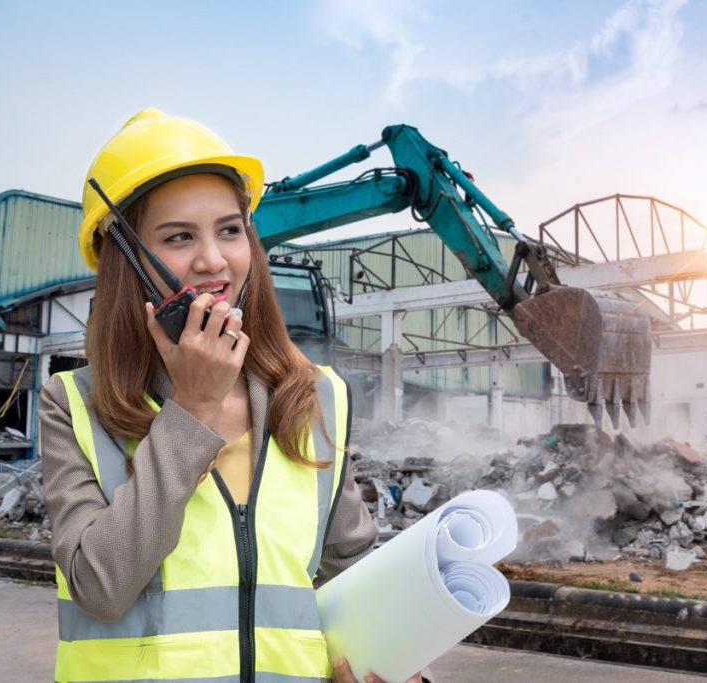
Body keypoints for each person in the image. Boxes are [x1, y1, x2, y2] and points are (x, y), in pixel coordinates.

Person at [41, 108, 423, 683]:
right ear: (126, 262)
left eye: (229, 230)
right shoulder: (72, 404)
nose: (213, 261)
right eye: (177, 238)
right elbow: (99, 585)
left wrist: (391, 665)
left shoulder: (316, 396)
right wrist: (191, 410)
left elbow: (351, 574)